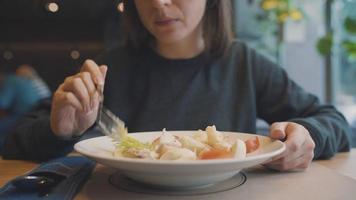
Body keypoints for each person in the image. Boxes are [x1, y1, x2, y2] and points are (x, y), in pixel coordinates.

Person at [2, 0, 351, 170]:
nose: (158, 3)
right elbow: (16, 143)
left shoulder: (242, 62)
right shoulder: (113, 67)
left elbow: (332, 120)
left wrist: (308, 135)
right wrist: (59, 131)